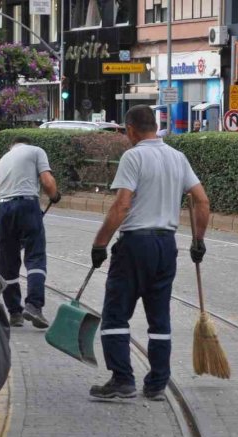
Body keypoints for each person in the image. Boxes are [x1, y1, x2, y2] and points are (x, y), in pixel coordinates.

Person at [89, 105, 211, 402]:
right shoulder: (177, 157)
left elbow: (121, 206)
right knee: (159, 318)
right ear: (154, 126)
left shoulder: (133, 157)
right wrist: (198, 240)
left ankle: (122, 379)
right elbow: (201, 200)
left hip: (135, 244)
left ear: (131, 129)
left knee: (115, 314)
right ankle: (157, 383)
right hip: (166, 245)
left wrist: (100, 244)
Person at [0, 136, 61, 328]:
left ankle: (14, 312)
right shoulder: (36, 151)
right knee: (35, 255)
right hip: (27, 203)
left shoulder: (2, 160)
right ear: (27, 142)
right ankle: (34, 305)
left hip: (3, 208)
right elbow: (47, 182)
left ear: (11, 145)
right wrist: (54, 195)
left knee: (8, 259)